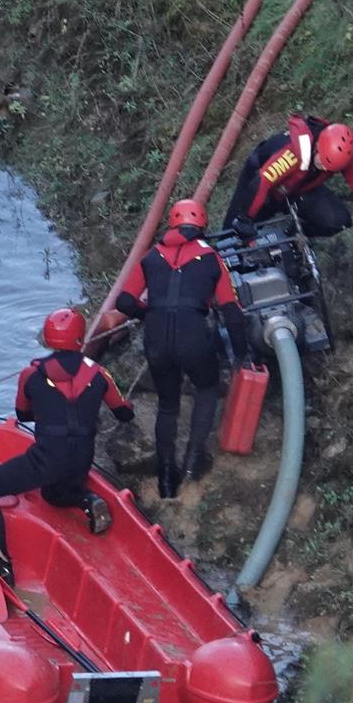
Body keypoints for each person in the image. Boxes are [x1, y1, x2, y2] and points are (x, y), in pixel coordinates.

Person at [0, 308, 134, 583]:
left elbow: (23, 414)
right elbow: (124, 412)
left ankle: (0, 564)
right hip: (82, 459)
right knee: (52, 495)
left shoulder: (31, 374)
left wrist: (48, 411)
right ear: (81, 339)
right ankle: (87, 499)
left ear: (47, 338)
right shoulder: (99, 374)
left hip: (47, 459)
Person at [114, 199, 253, 498]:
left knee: (167, 405)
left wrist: (148, 314)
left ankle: (166, 477)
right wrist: (241, 355)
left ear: (171, 225)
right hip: (192, 336)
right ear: (202, 226)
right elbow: (231, 310)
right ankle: (192, 461)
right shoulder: (212, 258)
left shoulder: (151, 257)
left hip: (156, 340)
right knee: (207, 387)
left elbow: (123, 302)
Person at [223, 113, 353, 239]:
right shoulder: (293, 153)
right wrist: (245, 218)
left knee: (338, 220)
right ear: (317, 147)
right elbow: (262, 181)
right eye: (322, 162)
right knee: (232, 237)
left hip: (298, 188)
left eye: (329, 168)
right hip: (260, 183)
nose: (323, 167)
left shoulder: (338, 153)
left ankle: (293, 237)